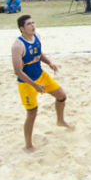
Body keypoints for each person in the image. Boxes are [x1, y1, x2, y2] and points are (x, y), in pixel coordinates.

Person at [11, 15, 71, 151]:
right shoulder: (17, 46)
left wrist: (50, 63)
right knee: (32, 113)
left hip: (41, 76)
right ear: (22, 28)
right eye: (29, 24)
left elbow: (39, 53)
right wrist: (35, 85)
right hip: (26, 83)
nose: (33, 26)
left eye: (33, 22)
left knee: (61, 96)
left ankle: (60, 121)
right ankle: (28, 144)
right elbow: (18, 71)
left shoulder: (36, 36)